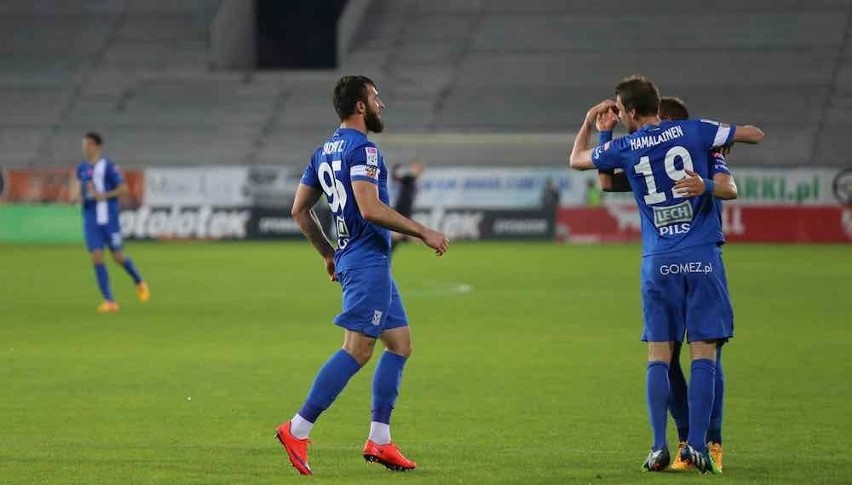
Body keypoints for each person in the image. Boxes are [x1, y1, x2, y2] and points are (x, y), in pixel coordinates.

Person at [568, 75, 764, 473]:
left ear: (632, 112)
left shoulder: (630, 148)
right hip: (702, 258)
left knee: (659, 355)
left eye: (621, 112)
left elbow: (581, 164)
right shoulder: (697, 135)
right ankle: (697, 445)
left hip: (658, 261)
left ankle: (662, 446)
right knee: (705, 353)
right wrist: (721, 149)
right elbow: (753, 135)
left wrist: (592, 125)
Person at [277, 75, 450, 476]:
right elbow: (369, 208)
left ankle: (380, 439)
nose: (381, 104)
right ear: (360, 106)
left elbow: (299, 210)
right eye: (376, 97)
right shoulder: (364, 150)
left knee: (400, 344)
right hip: (368, 260)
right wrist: (423, 231)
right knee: (356, 350)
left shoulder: (322, 153)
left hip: (360, 259)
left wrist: (327, 254)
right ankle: (297, 428)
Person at [596, 97, 735, 472]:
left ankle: (711, 442)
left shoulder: (702, 153)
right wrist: (606, 133)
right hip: (682, 264)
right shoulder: (649, 161)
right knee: (676, 358)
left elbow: (727, 185)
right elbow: (608, 183)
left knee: (702, 354)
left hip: (688, 259)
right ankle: (686, 442)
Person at [73, 132, 149, 313]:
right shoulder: (81, 168)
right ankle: (109, 301)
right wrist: (78, 197)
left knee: (118, 257)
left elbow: (123, 190)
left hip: (109, 217)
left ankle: (139, 281)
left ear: (97, 146)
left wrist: (104, 196)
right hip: (91, 217)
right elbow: (79, 188)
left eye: (89, 144)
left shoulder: (108, 166)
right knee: (96, 256)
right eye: (84, 144)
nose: (85, 148)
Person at [390, 160, 424, 252]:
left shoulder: (414, 181)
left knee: (399, 236)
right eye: (417, 168)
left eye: (420, 169)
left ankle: (386, 254)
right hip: (400, 210)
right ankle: (385, 254)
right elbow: (396, 177)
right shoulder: (409, 178)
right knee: (397, 235)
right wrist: (395, 167)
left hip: (405, 212)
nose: (418, 171)